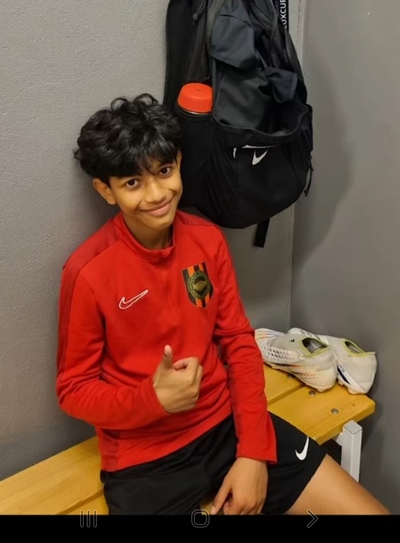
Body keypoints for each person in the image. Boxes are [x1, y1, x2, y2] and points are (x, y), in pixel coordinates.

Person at [56, 94, 389, 516]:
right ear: (105, 190)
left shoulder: (206, 239)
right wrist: (151, 399)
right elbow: (73, 389)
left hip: (227, 423)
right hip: (145, 458)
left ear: (179, 162)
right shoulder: (87, 271)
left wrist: (253, 453)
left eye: (164, 171)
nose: (157, 194)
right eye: (132, 183)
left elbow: (237, 342)